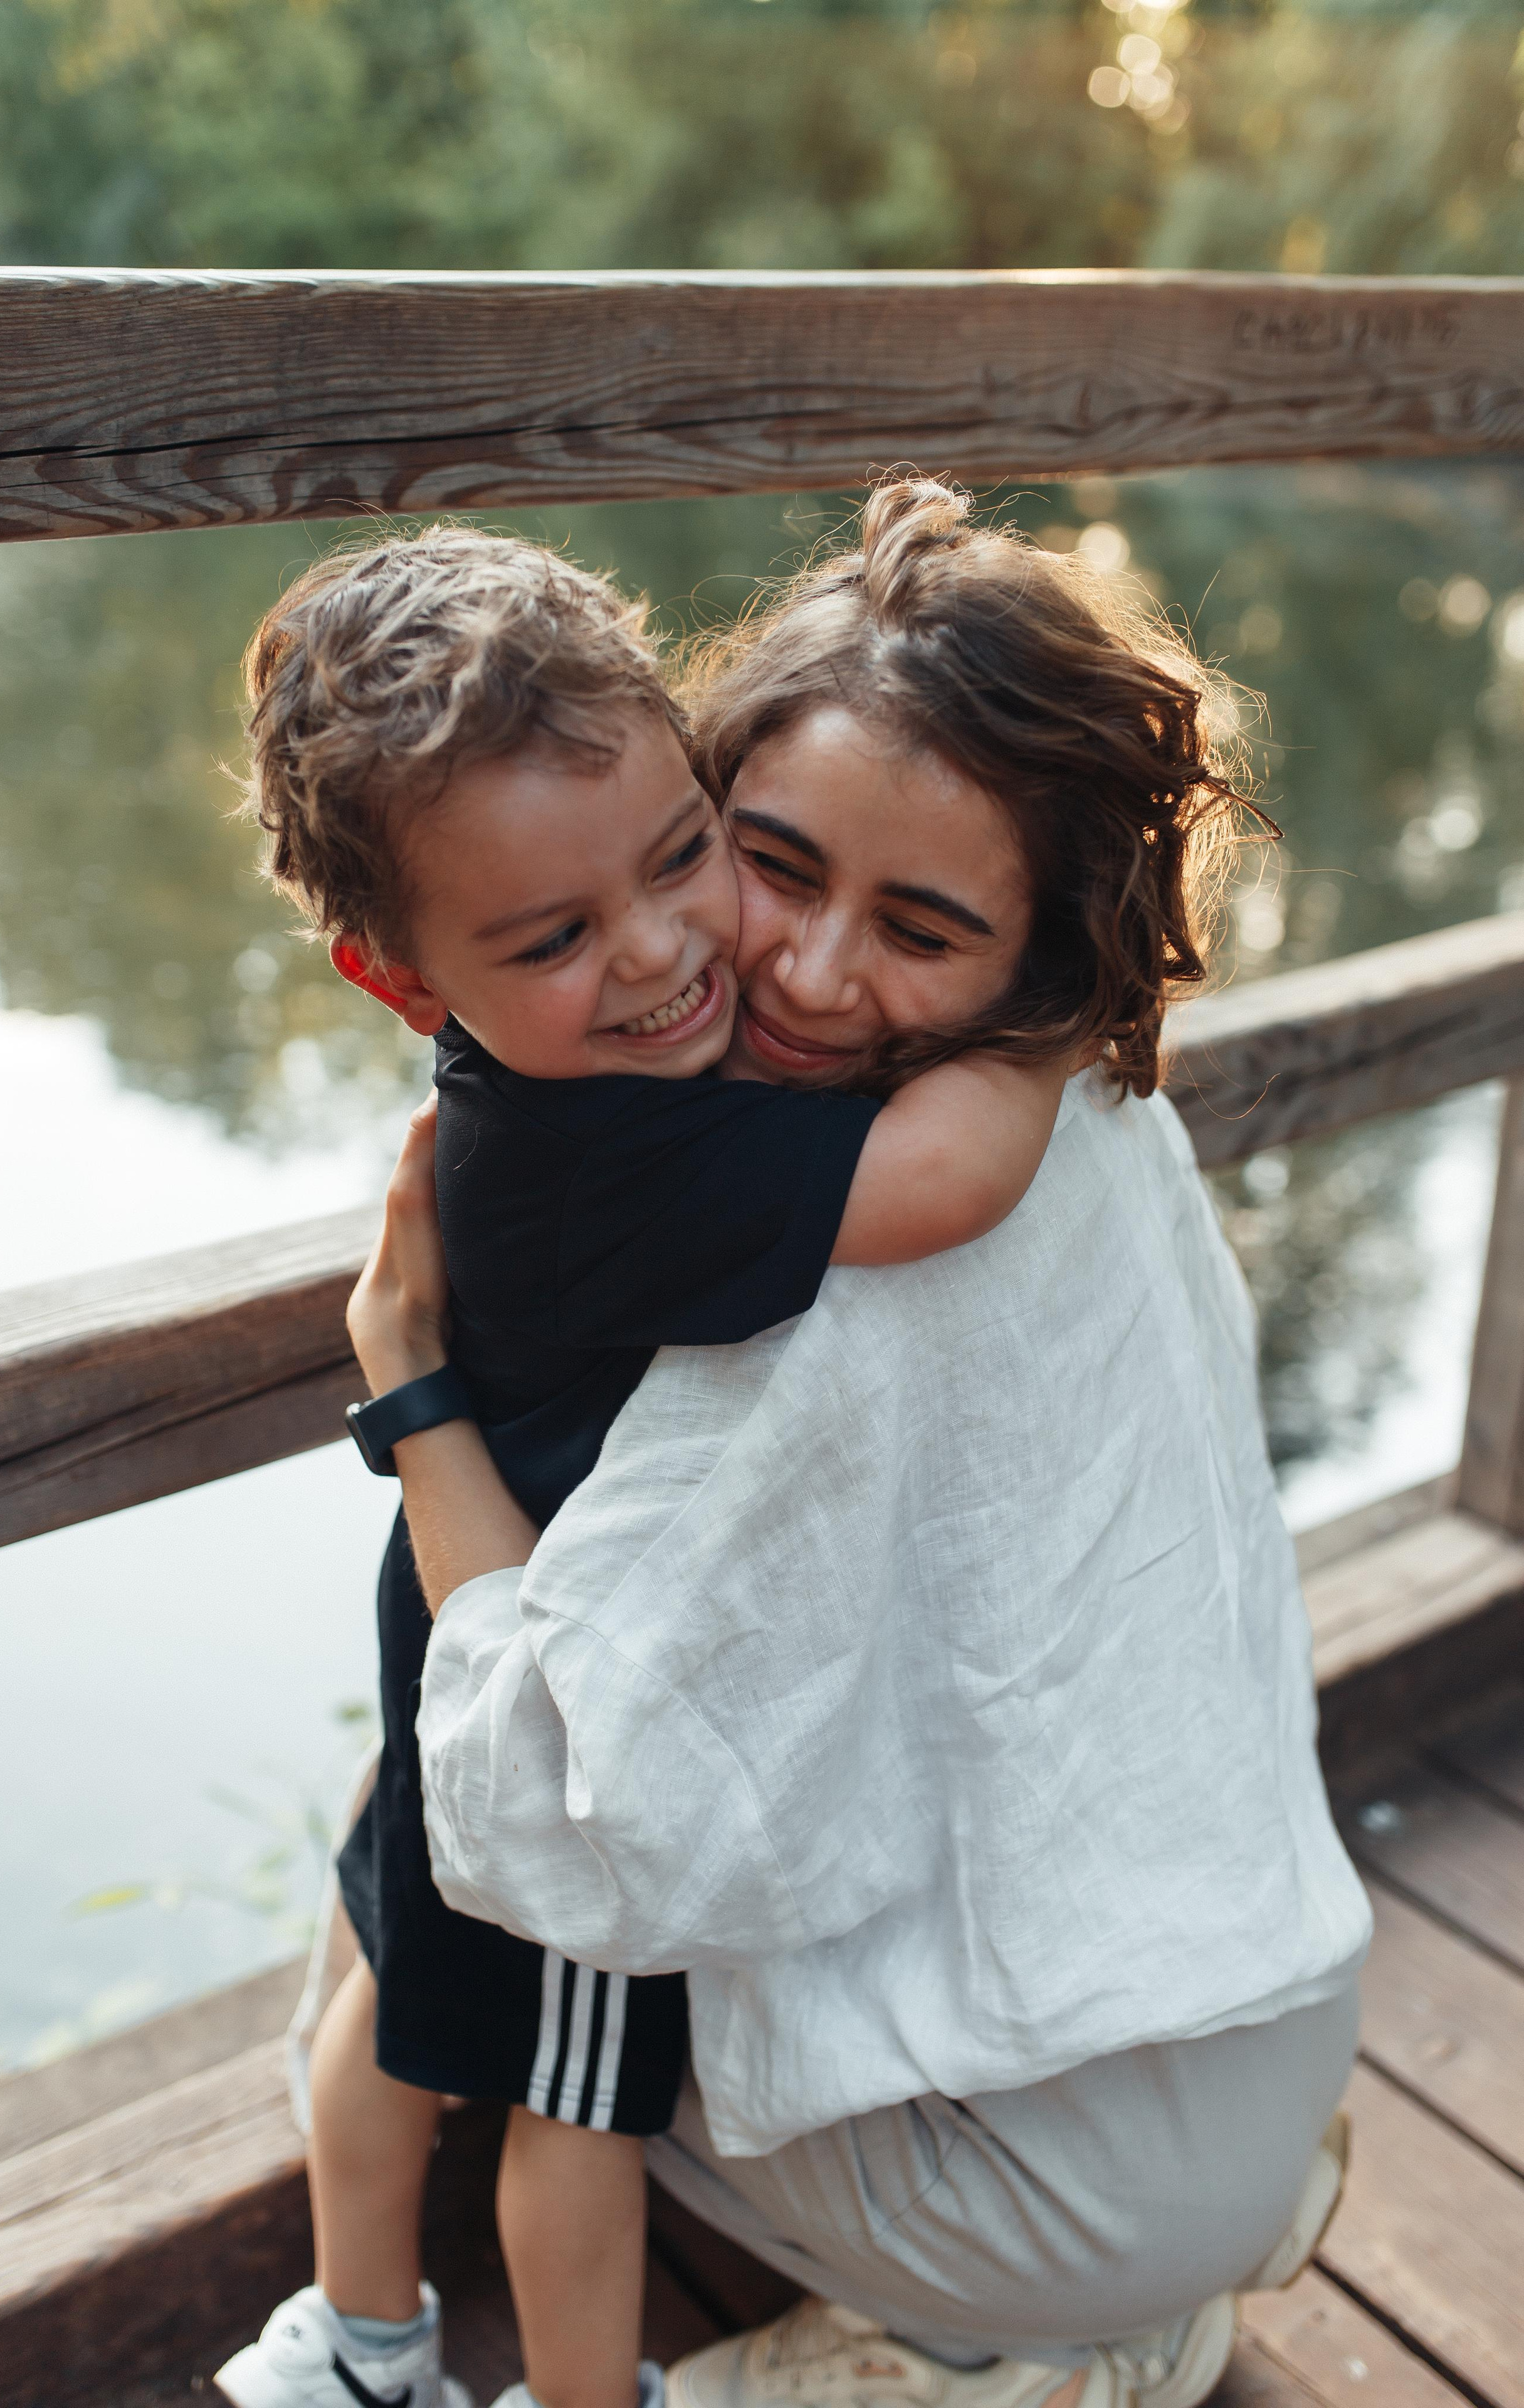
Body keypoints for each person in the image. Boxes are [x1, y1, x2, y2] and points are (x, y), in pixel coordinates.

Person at [348, 480, 1372, 2408]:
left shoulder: (834, 1254)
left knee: (435, 1878)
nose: (808, 978)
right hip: (1265, 2021)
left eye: (916, 924)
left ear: (1030, 942)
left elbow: (560, 1826)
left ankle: (961, 2353)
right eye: (766, 866)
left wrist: (410, 1392)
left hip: (1052, 2200)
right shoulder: (1065, 1102)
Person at [216, 519, 1068, 2408]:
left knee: (393, 1992)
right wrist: (1051, 1010)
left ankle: (353, 2345)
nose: (668, 952)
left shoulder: (519, 1100)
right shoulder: (636, 1158)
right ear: (394, 977)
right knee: (578, 2106)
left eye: (682, 854)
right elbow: (950, 1180)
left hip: (447, 1643)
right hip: (579, 1712)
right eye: (557, 937)